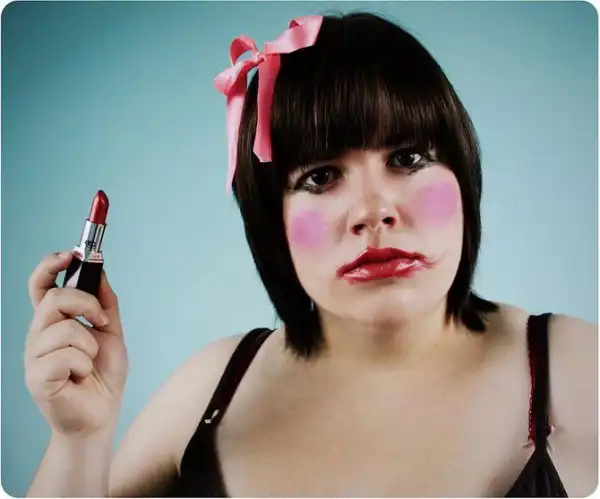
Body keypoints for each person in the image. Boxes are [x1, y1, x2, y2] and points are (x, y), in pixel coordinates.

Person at [24, 12, 596, 498]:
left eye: (408, 159)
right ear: (270, 220)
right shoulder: (208, 390)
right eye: (321, 176)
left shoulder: (578, 368)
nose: (373, 210)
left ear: (464, 174)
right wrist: (80, 440)